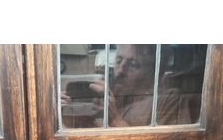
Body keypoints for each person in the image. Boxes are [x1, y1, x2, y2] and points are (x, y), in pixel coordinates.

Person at [62, 44, 192, 128]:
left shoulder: (169, 100)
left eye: (133, 64)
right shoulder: (114, 96)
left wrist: (113, 118)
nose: (120, 70)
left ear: (153, 73)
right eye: (119, 61)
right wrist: (61, 113)